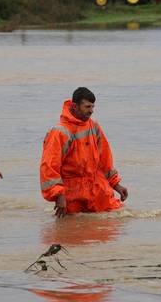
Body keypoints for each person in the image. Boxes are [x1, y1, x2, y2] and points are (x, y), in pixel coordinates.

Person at [40, 87, 128, 217]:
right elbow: (49, 167)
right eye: (87, 107)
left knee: (119, 220)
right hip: (73, 194)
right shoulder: (59, 132)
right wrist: (58, 195)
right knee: (72, 227)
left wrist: (116, 184)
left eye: (93, 107)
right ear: (75, 106)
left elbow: (105, 160)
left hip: (97, 189)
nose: (91, 111)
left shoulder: (94, 127)